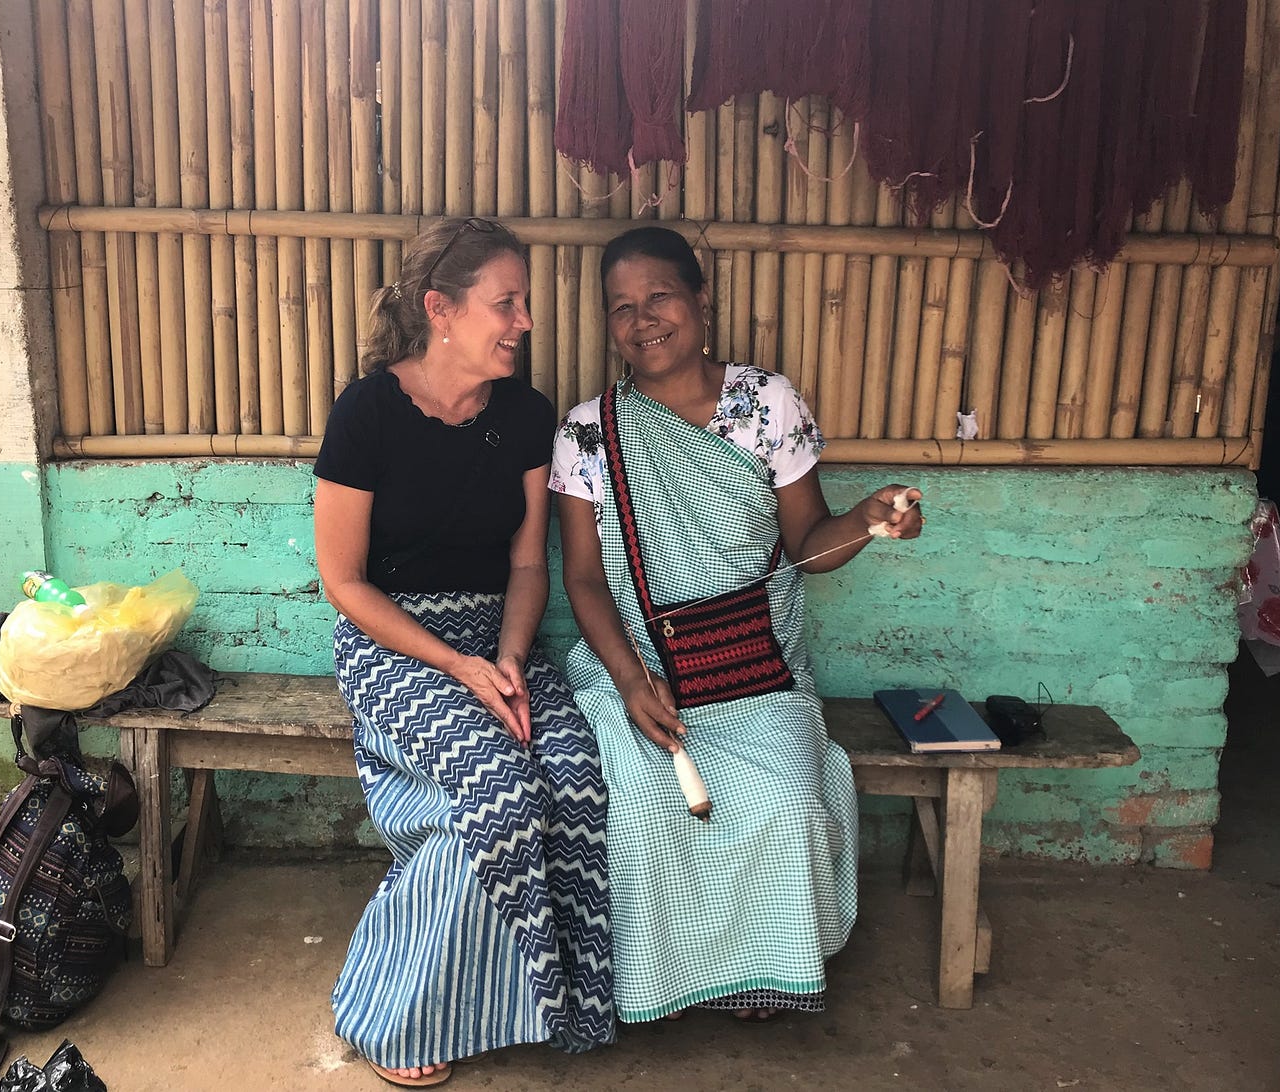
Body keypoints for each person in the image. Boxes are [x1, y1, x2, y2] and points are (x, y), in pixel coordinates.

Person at [550, 225, 922, 1025]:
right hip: (638, 669)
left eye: (660, 297)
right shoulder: (587, 432)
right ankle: (661, 985)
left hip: (757, 672)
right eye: (622, 307)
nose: (643, 320)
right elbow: (582, 577)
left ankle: (764, 974)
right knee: (641, 806)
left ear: (701, 300)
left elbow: (809, 545)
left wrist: (866, 519)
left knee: (786, 806)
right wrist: (631, 682)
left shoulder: (768, 404)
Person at [314, 217, 615, 1087]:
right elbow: (345, 582)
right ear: (440, 309)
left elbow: (527, 565)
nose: (525, 321)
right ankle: (396, 1012)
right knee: (496, 795)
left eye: (525, 302)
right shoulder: (367, 413)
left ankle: (554, 1000)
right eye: (506, 303)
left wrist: (511, 656)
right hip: (395, 643)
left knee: (571, 774)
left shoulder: (524, 415)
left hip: (496, 634)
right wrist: (456, 666)